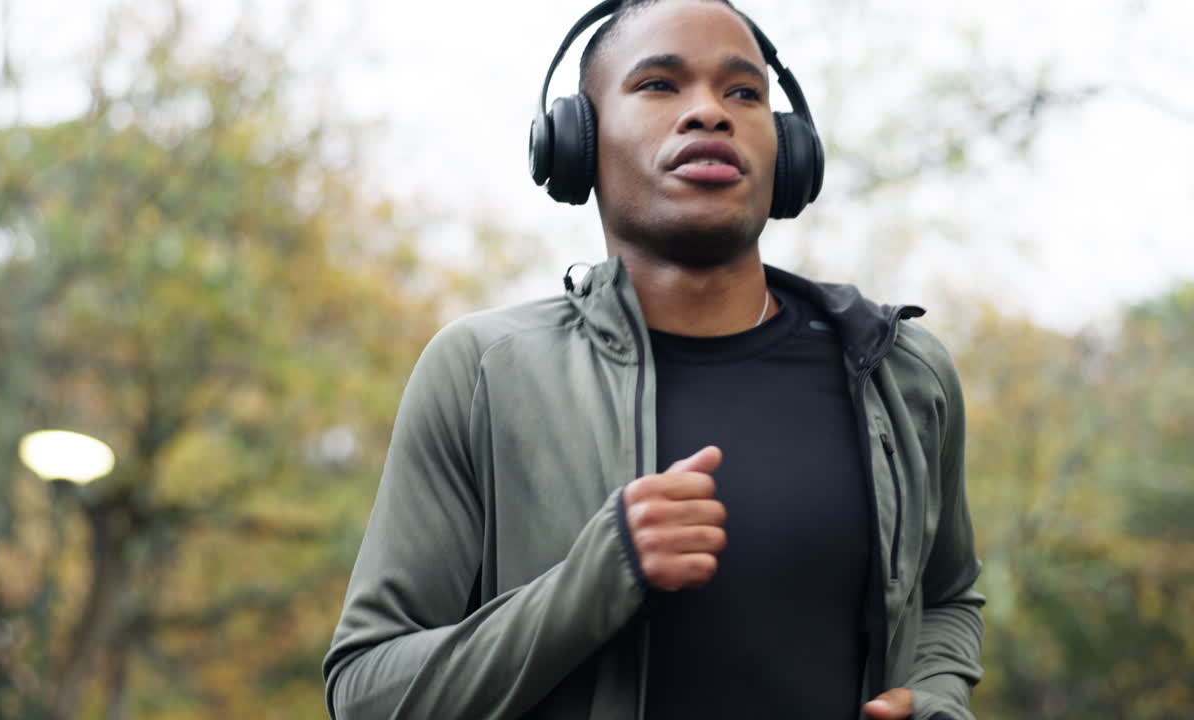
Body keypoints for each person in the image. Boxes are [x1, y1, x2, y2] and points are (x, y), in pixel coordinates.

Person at [321, 0, 984, 717]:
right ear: (576, 143)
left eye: (743, 93)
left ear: (789, 148)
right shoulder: (484, 372)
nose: (709, 113)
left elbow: (947, 599)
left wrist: (937, 697)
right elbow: (367, 691)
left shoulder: (899, 370)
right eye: (660, 85)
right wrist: (596, 579)